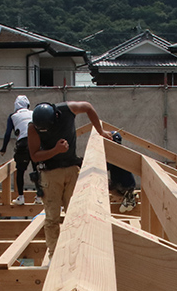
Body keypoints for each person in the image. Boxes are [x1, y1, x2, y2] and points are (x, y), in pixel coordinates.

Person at [27, 100, 113, 257]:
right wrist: (55, 150)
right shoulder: (34, 127)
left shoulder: (66, 110)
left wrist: (100, 131)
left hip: (72, 170)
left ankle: (76, 251)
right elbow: (34, 155)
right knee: (52, 218)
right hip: (50, 174)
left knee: (75, 214)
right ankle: (54, 254)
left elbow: (88, 106)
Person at [0, 94, 43, 206]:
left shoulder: (13, 116)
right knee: (37, 169)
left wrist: (3, 149)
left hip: (22, 144)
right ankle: (39, 196)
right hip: (35, 143)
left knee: (20, 171)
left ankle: (21, 197)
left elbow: (8, 133)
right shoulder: (34, 113)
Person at [108, 131, 138, 213]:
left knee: (102, 183)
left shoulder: (113, 154)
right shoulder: (122, 152)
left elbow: (106, 167)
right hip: (129, 184)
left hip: (122, 186)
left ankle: (128, 199)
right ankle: (129, 196)